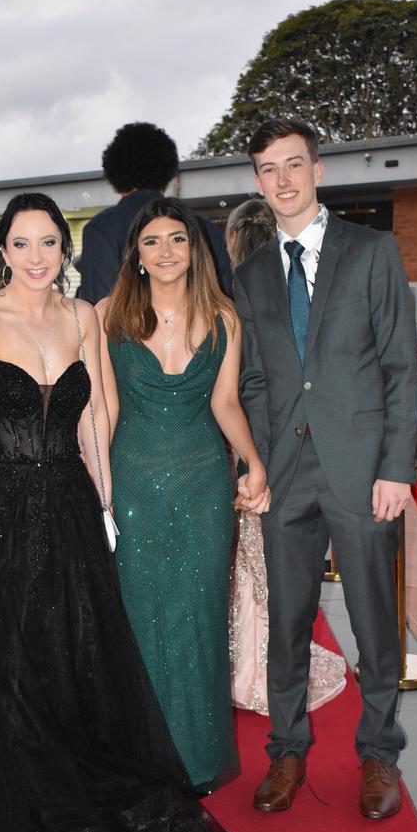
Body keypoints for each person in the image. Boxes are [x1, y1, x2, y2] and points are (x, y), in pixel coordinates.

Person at [0, 192, 232, 832]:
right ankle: (43, 796)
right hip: (4, 516)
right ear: (2, 250)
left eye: (48, 243)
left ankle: (92, 777)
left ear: (66, 249)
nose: (35, 257)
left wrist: (108, 500)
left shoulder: (83, 315)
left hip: (74, 509)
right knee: (22, 663)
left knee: (83, 656)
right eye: (21, 244)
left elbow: (92, 415)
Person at [234, 119, 417, 820]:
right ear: (257, 180)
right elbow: (253, 380)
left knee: (375, 622)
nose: (281, 180)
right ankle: (287, 750)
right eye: (267, 168)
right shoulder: (249, 273)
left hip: (364, 467)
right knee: (287, 621)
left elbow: (401, 367)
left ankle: (378, 755)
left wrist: (395, 468)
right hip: (284, 474)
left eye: (292, 164)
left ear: (317, 169)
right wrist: (255, 463)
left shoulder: (372, 252)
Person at [97, 196, 268, 792]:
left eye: (177, 239)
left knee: (197, 620)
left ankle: (195, 760)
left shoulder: (224, 319)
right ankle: (142, 757)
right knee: (138, 618)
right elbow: (104, 409)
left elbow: (224, 403)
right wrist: (97, 486)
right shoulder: (106, 316)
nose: (165, 251)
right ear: (136, 256)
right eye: (152, 242)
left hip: (201, 486)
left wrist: (253, 463)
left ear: (195, 250)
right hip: (133, 484)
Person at [225, 197, 347, 716]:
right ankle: (265, 661)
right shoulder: (290, 294)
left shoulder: (234, 300)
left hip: (248, 440)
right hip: (284, 441)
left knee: (253, 560)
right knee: (268, 560)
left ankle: (253, 665)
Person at [80, 122, 232, 302]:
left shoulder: (101, 229)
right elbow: (224, 300)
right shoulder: (206, 229)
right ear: (168, 172)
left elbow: (97, 304)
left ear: (115, 174)